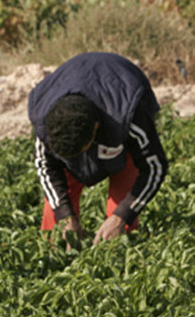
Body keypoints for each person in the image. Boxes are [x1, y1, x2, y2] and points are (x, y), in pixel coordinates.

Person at [28, 52, 168, 246]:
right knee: (57, 225)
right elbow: (46, 166)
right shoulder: (45, 119)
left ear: (95, 129)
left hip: (123, 104)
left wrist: (122, 216)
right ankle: (55, 257)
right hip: (75, 93)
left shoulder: (130, 115)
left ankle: (117, 259)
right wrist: (65, 216)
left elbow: (154, 166)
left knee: (120, 228)